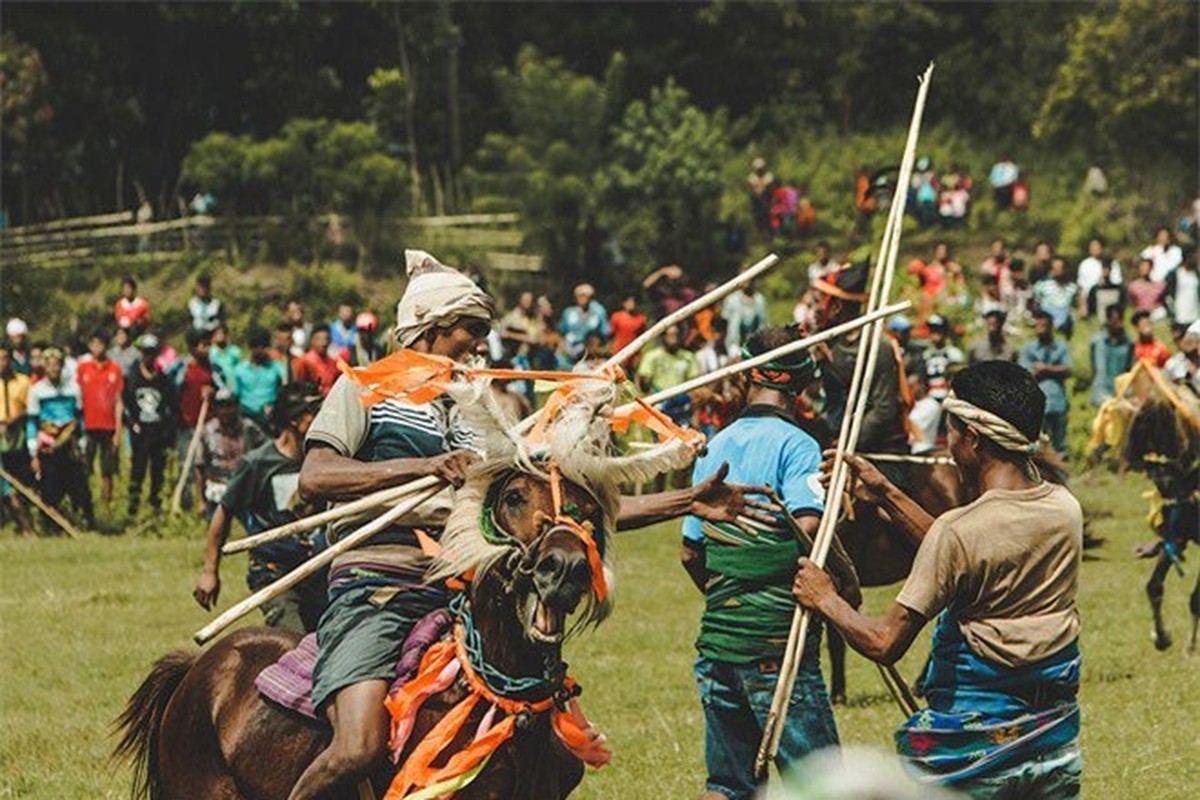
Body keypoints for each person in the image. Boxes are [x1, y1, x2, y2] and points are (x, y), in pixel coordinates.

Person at [792, 360, 1084, 799]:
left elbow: (885, 644)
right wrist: (887, 494)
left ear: (973, 437)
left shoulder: (959, 532)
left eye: (951, 431)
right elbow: (971, 552)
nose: (947, 445)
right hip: (1054, 742)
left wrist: (826, 597)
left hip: (973, 753)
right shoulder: (1064, 509)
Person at [681, 325, 860, 800]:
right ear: (801, 387)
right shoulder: (798, 445)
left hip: (717, 645)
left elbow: (689, 551)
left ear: (746, 378)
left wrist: (736, 593)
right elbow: (806, 528)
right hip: (775, 647)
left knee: (726, 787)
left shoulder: (712, 446)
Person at [194, 383, 327, 633]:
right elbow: (223, 513)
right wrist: (210, 571)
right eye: (314, 413)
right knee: (294, 640)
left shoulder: (322, 461)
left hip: (314, 571)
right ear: (294, 420)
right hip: (272, 571)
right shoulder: (257, 464)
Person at [27, 348, 94, 531]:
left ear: (62, 366)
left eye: (56, 365)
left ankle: (86, 523)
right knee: (49, 487)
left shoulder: (73, 388)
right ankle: (51, 527)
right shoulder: (36, 390)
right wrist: (33, 451)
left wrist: (82, 444)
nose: (53, 369)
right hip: (48, 445)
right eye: (49, 365)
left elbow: (80, 419)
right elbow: (32, 422)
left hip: (70, 444)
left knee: (78, 485)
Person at [125, 335, 177, 518]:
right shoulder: (132, 377)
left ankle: (155, 512)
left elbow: (171, 406)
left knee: (157, 474)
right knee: (137, 472)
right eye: (146, 353)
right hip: (140, 433)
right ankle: (132, 512)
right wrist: (132, 423)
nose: (149, 357)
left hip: (158, 433)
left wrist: (168, 432)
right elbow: (125, 404)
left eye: (152, 353)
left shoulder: (162, 379)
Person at [194, 388, 267, 518]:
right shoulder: (208, 431)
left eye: (229, 406)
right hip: (217, 488)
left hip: (244, 489)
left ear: (237, 407)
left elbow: (266, 450)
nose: (225, 411)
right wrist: (200, 500)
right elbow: (200, 466)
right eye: (221, 407)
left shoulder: (249, 428)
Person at [76, 329, 124, 509]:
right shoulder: (83, 369)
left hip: (108, 427)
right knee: (85, 468)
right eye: (94, 344)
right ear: (90, 346)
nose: (97, 348)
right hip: (88, 426)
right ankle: (85, 505)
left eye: (101, 344)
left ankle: (106, 506)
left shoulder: (114, 369)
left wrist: (118, 430)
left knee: (107, 470)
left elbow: (119, 401)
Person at [175, 328, 217, 511]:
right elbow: (173, 394)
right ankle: (185, 506)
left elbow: (224, 389)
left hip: (208, 425)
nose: (207, 349)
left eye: (209, 345)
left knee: (205, 465)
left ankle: (206, 504)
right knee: (186, 464)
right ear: (192, 348)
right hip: (187, 425)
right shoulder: (182, 368)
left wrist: (212, 392)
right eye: (203, 345)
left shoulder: (214, 369)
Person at [1019, 311, 1073, 456]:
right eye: (1038, 325)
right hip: (1037, 402)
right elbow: (1024, 374)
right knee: (1038, 444)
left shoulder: (1061, 347)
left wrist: (1046, 368)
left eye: (1045, 325)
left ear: (1051, 327)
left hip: (1058, 400)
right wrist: (1038, 372)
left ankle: (1062, 473)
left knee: (1060, 443)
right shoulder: (1028, 349)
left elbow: (1068, 369)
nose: (1042, 329)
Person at [0, 341, 35, 535]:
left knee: (21, 483)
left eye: (4, 358)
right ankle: (19, 526)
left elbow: (31, 407)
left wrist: (13, 419)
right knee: (6, 488)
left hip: (18, 439)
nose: (1, 363)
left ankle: (27, 525)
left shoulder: (23, 381)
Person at [637, 324, 699, 431]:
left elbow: (694, 385)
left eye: (676, 335)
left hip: (681, 404)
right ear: (663, 337)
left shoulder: (688, 357)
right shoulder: (652, 357)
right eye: (670, 336)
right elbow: (644, 383)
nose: (673, 340)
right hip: (660, 401)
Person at [230, 326, 286, 432]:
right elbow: (235, 395)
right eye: (260, 347)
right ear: (252, 348)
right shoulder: (240, 370)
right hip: (247, 418)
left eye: (266, 346)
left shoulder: (276, 367)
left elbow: (285, 389)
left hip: (271, 418)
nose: (264, 350)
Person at [1088, 305, 1134, 407]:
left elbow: (1129, 368)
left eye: (1121, 320)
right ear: (1108, 321)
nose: (1120, 324)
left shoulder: (1129, 343)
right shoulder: (1096, 341)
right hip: (1101, 393)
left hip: (1121, 394)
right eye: (1116, 321)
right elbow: (1094, 367)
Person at [558, 283, 610, 363]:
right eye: (580, 296)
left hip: (588, 355)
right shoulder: (568, 312)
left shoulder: (598, 313)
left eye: (586, 296)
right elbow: (561, 333)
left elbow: (605, 334)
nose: (582, 298)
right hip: (568, 354)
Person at [1031, 256, 1078, 338]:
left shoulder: (1072, 288)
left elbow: (1074, 306)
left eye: (1060, 267)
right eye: (1055, 268)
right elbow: (1035, 303)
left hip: (1064, 326)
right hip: (1046, 324)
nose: (1057, 270)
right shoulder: (1042, 286)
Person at [921, 315, 964, 402]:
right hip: (930, 398)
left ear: (945, 331)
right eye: (932, 329)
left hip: (950, 398)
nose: (934, 333)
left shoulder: (954, 354)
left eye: (938, 329)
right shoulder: (926, 355)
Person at [292, 323, 340, 396]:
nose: (324, 343)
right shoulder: (304, 361)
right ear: (312, 341)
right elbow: (298, 384)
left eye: (326, 339)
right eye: (319, 339)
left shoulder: (333, 362)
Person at [721, 280, 769, 352]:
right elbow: (723, 322)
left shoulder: (760, 300)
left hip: (755, 342)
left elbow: (764, 322)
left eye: (749, 280)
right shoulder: (731, 299)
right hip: (734, 342)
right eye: (745, 281)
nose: (747, 284)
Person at [1163, 251, 1199, 333]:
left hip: (1195, 315)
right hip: (1180, 316)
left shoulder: (1196, 274)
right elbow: (1167, 294)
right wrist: (1171, 312)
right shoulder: (1175, 274)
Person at [1076, 237, 1122, 302]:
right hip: (1089, 299)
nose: (1095, 248)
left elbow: (1117, 281)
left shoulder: (1112, 263)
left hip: (1108, 295)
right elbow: (1081, 286)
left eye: (1097, 246)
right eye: (1092, 246)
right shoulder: (1084, 264)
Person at [907, 367, 940, 454]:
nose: (909, 390)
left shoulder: (931, 405)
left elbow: (914, 426)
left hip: (923, 450)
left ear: (921, 385)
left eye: (912, 386)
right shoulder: (912, 404)